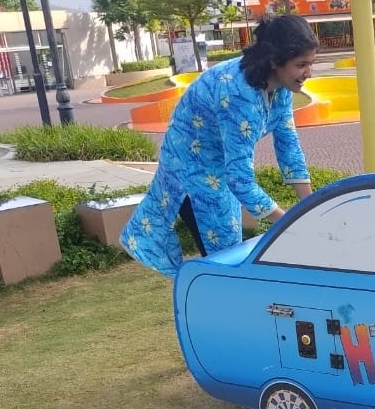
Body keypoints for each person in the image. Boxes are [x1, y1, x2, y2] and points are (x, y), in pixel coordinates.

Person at [120, 14, 318, 279]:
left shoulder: (281, 87)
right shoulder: (239, 95)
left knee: (228, 263)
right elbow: (240, 180)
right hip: (190, 168)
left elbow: (289, 147)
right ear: (275, 62)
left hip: (217, 167)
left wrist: (311, 210)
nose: (308, 72)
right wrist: (287, 224)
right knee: (226, 264)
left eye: (311, 64)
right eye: (301, 65)